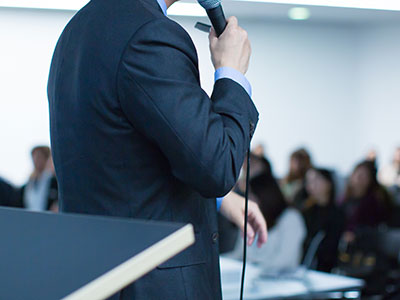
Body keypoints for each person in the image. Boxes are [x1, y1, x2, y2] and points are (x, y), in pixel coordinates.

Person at [47, 0, 267, 299]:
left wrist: (218, 201)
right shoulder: (151, 35)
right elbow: (218, 166)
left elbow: (123, 162)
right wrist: (232, 74)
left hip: (100, 277)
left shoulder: (78, 28)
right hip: (152, 284)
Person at [227, 154, 306, 273]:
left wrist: (254, 269)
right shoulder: (250, 218)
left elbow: (286, 261)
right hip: (254, 281)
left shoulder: (291, 218)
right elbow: (239, 254)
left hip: (282, 283)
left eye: (252, 195)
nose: (248, 200)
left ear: (266, 196)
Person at [300, 168, 345, 272]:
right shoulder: (306, 211)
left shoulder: (337, 214)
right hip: (304, 265)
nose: (311, 185)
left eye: (316, 180)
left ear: (329, 183)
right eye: (309, 181)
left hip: (325, 268)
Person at [340, 161, 392, 243]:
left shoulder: (373, 202)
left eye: (364, 176)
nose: (359, 178)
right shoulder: (343, 200)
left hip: (365, 244)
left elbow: (374, 227)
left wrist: (355, 234)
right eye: (358, 174)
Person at [21, 146, 58, 211]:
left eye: (39, 157)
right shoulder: (28, 184)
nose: (36, 160)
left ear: (46, 159)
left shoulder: (54, 182)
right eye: (34, 157)